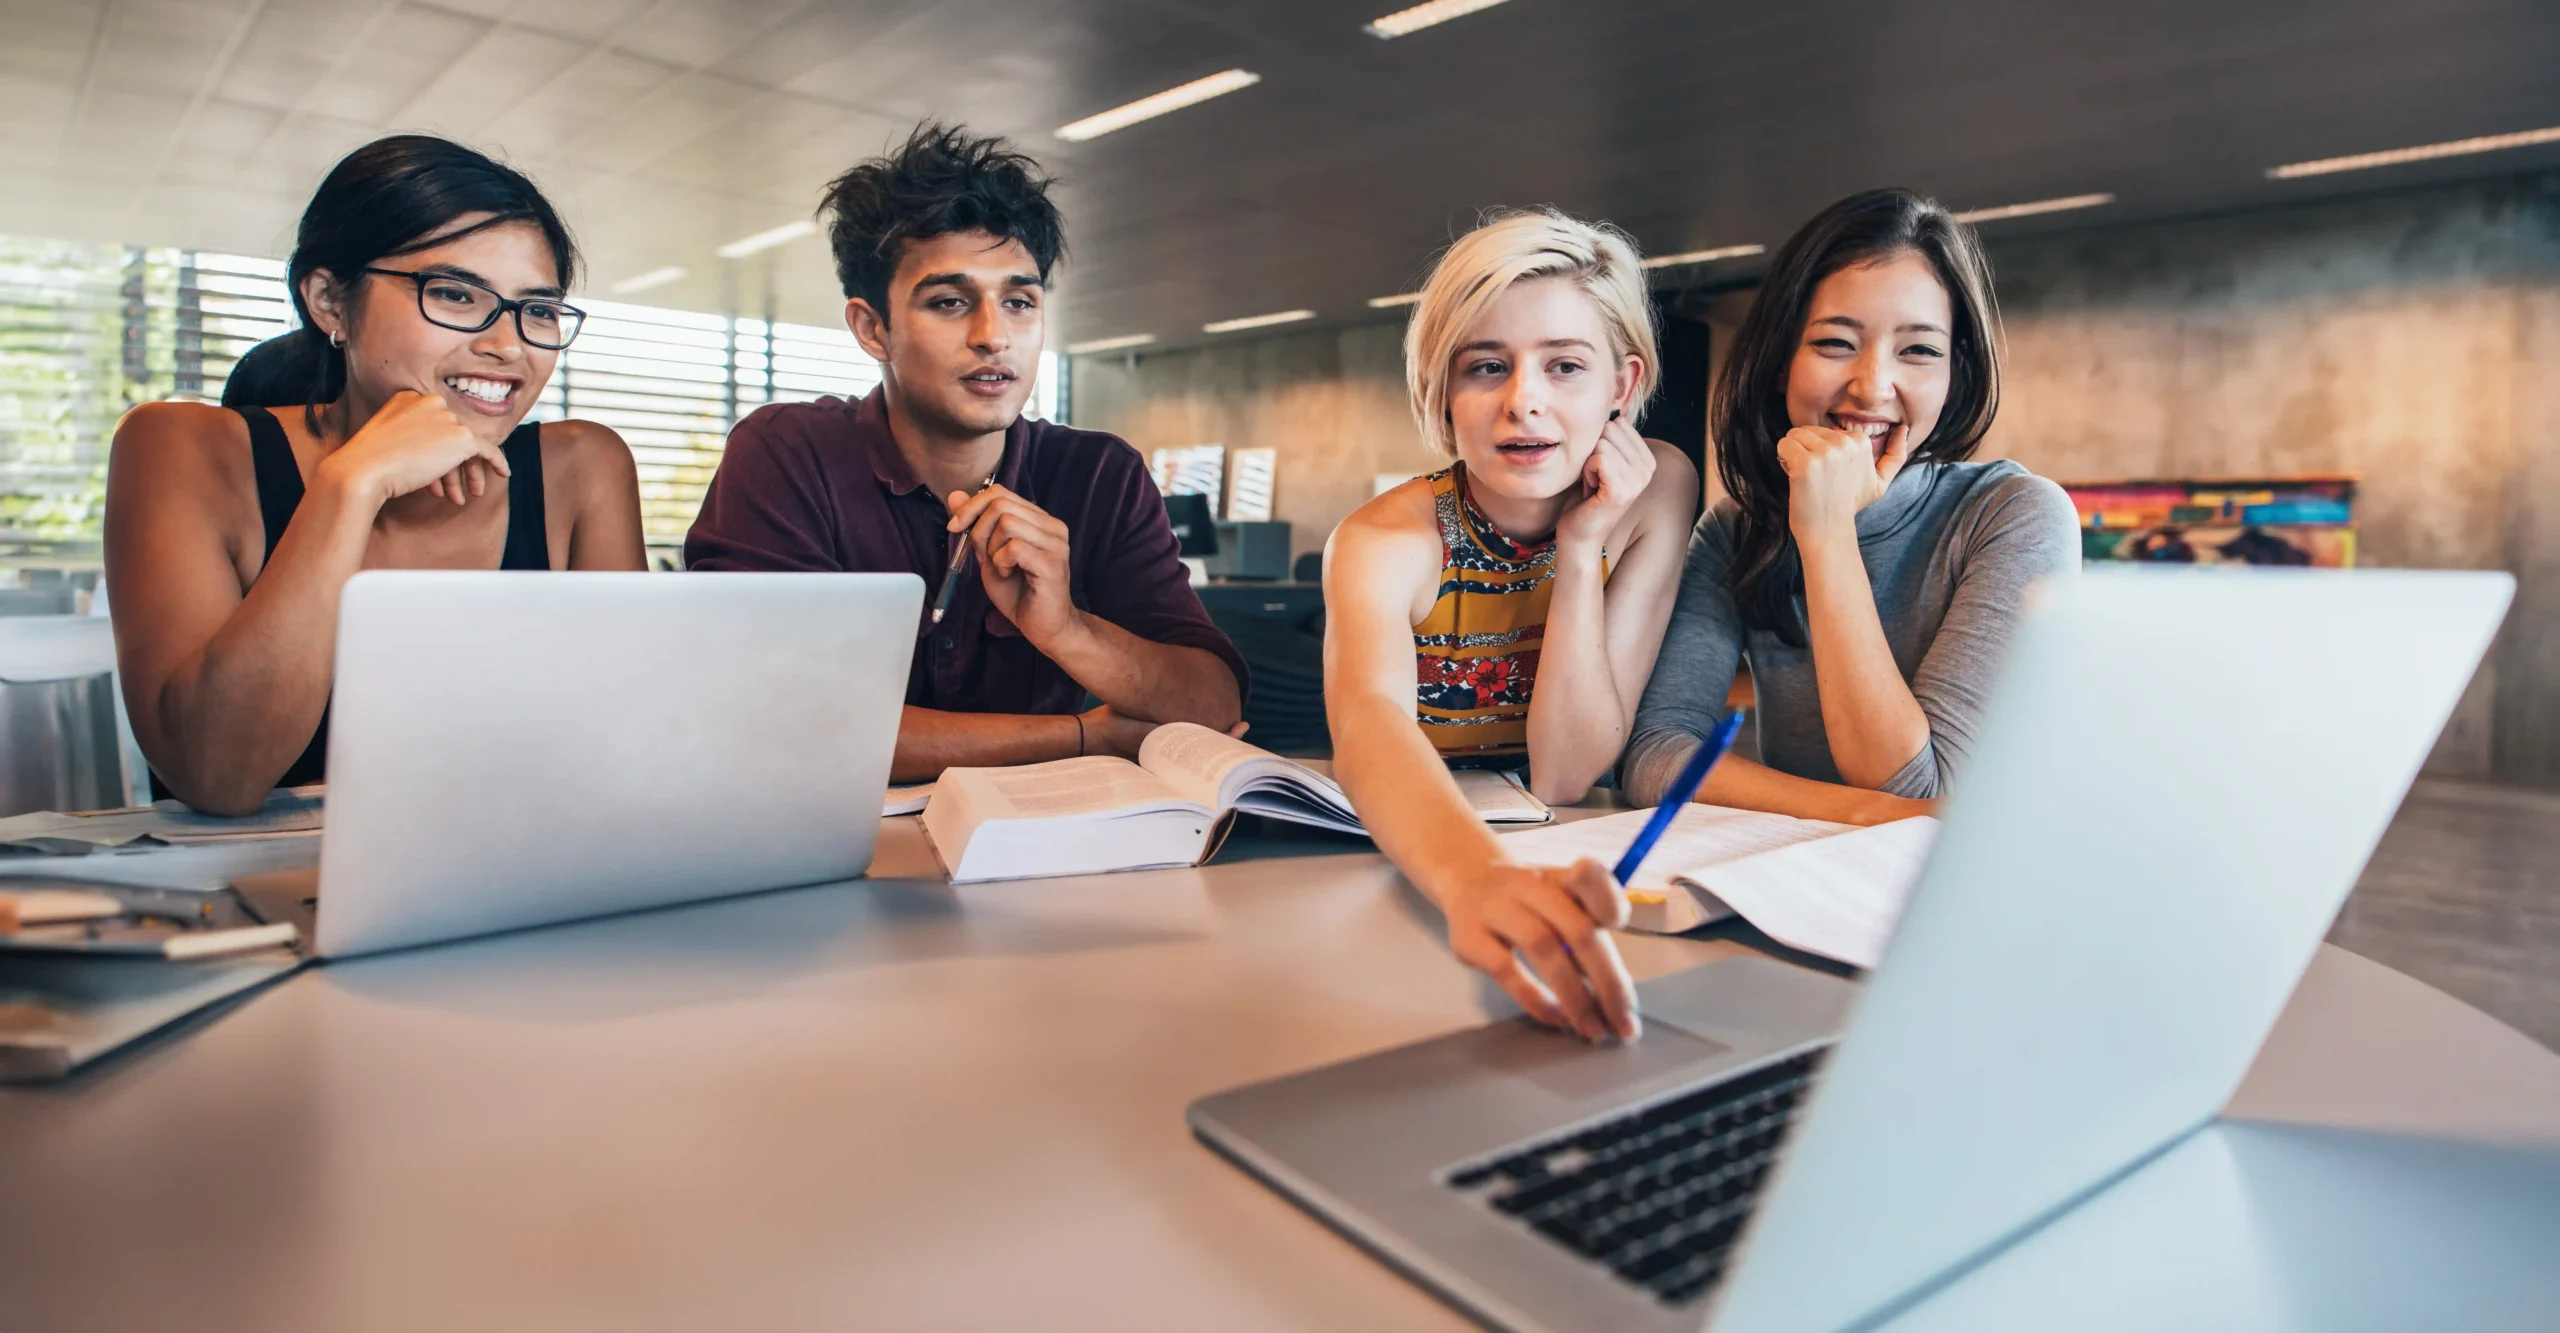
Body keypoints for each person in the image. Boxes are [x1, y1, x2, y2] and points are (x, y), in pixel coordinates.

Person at [685, 124, 1247, 781]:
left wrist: (1066, 629)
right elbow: (775, 722)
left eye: (1019, 301)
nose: (993, 336)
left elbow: (1213, 703)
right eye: (950, 303)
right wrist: (1082, 737)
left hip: (1048, 858)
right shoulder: (788, 453)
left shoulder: (1098, 474)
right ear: (872, 328)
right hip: (833, 848)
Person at [105, 134, 646, 815]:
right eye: (454, 294)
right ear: (330, 301)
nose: (507, 346)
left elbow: (629, 751)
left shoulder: (583, 469)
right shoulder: (180, 448)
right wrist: (352, 481)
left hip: (519, 883)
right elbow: (217, 774)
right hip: (266, 901)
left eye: (536, 310)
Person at [1324, 209, 1699, 1043]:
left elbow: (1566, 771)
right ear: (1442, 392)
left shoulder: (1657, 490)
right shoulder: (1383, 539)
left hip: (1564, 853)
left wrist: (1580, 547)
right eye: (1486, 367)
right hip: (1407, 864)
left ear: (1622, 387)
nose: (1523, 401)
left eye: (1566, 366)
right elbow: (1367, 723)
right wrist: (1473, 880)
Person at [1623, 188, 2079, 822]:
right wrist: (1858, 813)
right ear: (1781, 361)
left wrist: (1828, 532)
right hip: (1795, 883)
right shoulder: (1734, 530)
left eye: (1919, 350)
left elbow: (1915, 785)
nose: (1872, 387)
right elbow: (1655, 755)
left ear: (1955, 374)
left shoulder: (2015, 516)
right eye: (1836, 343)